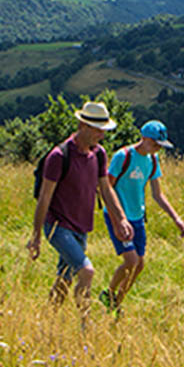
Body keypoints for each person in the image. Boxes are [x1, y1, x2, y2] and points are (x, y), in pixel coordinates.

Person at [27, 101, 133, 311]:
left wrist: (120, 218)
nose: (102, 136)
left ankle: (48, 322)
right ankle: (85, 328)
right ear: (83, 126)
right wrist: (36, 235)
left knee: (64, 278)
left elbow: (106, 189)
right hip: (58, 227)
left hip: (81, 226)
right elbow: (44, 197)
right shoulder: (59, 156)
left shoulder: (99, 154)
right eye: (98, 130)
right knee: (86, 271)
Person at [98, 120, 184, 311]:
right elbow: (107, 189)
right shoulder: (123, 156)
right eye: (155, 144)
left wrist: (176, 219)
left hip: (137, 218)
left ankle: (115, 304)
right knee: (130, 261)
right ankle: (108, 293)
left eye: (160, 146)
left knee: (139, 265)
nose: (157, 149)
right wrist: (116, 221)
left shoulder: (152, 160)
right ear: (144, 138)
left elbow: (158, 194)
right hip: (118, 216)